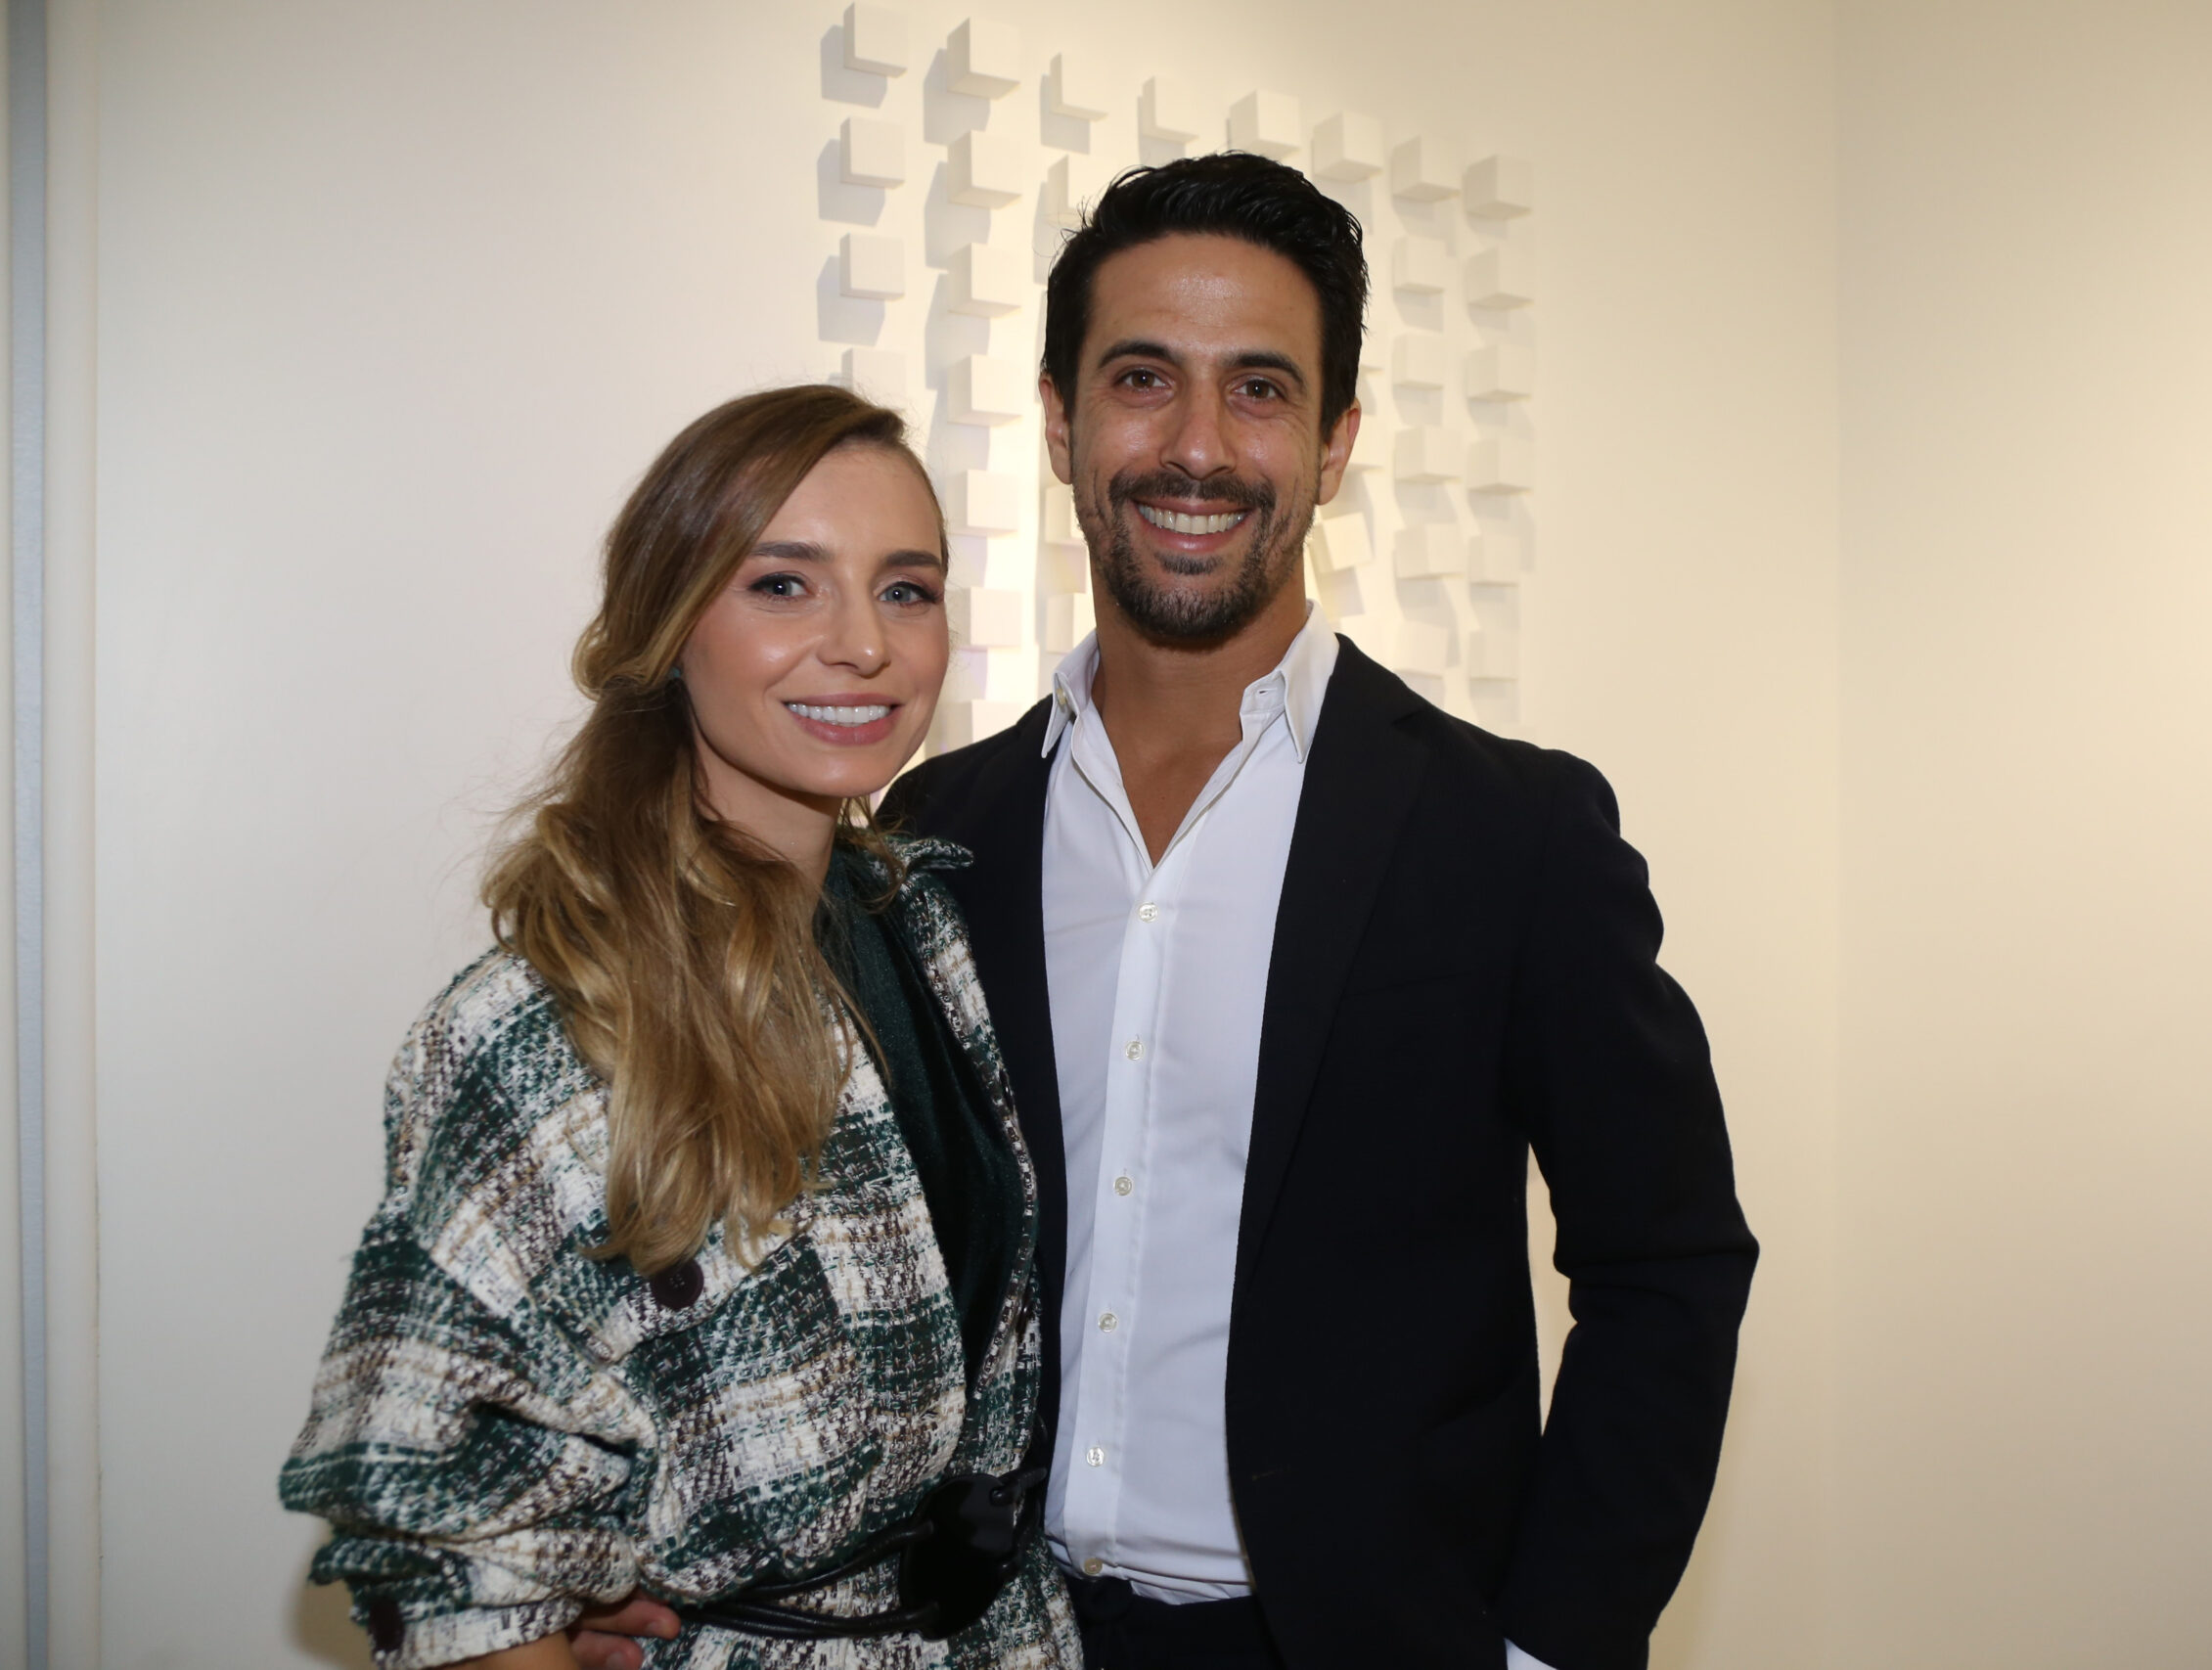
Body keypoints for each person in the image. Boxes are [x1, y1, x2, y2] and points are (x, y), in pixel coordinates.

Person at [580, 153, 1757, 1670]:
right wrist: (637, 1550)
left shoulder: (1510, 836)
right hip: (984, 1640)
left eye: (1260, 390)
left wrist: (1546, 1651)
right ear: (1062, 423)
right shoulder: (928, 840)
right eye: (1143, 380)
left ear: (1335, 444)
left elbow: (1667, 1265)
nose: (1197, 446)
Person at [280, 385, 1080, 1669]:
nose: (863, 644)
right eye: (783, 585)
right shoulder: (544, 1032)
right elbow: (460, 1572)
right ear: (669, 624)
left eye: (907, 589)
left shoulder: (929, 933)